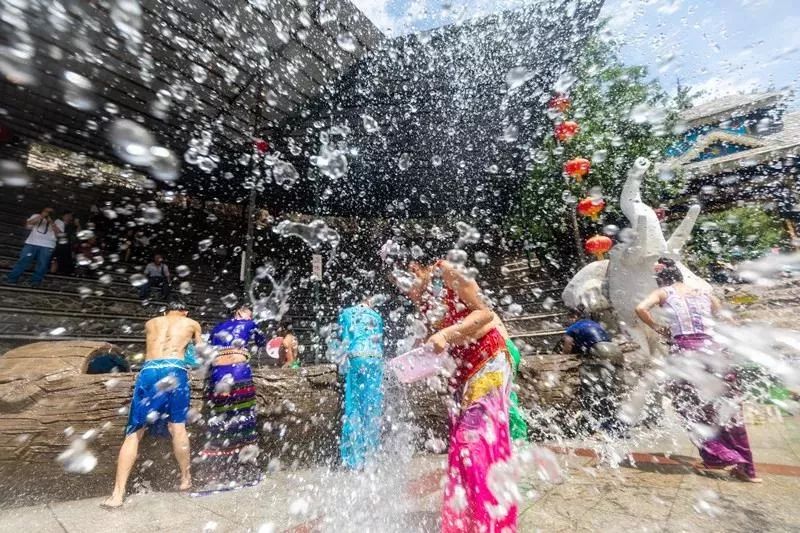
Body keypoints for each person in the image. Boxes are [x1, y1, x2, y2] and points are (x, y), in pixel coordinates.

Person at [393, 258, 517, 532]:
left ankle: (491, 520)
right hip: (461, 373)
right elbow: (433, 337)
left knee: (471, 443)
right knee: (464, 449)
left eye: (403, 279)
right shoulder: (422, 295)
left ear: (417, 268)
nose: (404, 289)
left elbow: (484, 314)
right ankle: (473, 517)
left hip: (488, 362)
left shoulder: (449, 272)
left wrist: (447, 334)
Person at [635, 257, 761, 483]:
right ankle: (748, 469)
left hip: (686, 354)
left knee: (687, 406)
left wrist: (657, 328)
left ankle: (719, 456)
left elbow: (640, 308)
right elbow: (726, 321)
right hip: (715, 352)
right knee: (729, 409)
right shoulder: (703, 292)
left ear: (661, 279)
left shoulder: (664, 292)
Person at [102, 301, 203, 508]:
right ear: (185, 311)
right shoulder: (192, 323)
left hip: (149, 371)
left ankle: (117, 494)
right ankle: (185, 478)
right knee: (178, 426)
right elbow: (199, 355)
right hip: (175, 370)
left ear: (166, 311)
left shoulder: (151, 323)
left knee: (134, 432)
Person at [200, 306, 265, 489]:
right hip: (239, 371)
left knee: (220, 418)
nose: (251, 317)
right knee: (245, 417)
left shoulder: (217, 327)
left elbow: (208, 349)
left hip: (218, 374)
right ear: (238, 313)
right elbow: (262, 342)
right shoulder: (250, 323)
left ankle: (219, 468)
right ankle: (248, 466)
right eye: (248, 314)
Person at [338, 298, 385, 470]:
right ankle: (371, 455)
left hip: (357, 357)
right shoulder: (377, 316)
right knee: (372, 407)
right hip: (375, 358)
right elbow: (378, 341)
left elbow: (344, 339)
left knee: (353, 406)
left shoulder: (346, 313)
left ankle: (353, 459)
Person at [562, 308, 625, 435]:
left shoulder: (572, 327)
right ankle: (617, 426)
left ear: (574, 317)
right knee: (611, 390)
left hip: (599, 351)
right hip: (616, 352)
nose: (568, 320)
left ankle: (593, 425)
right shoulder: (594, 324)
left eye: (569, 318)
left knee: (591, 391)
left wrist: (563, 358)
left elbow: (568, 346)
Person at [490, 314, 528, 441]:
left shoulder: (473, 306)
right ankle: (517, 438)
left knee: (502, 399)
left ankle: (518, 439)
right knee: (507, 397)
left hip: (500, 351)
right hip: (508, 348)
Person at [6, 207, 63, 287]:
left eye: (50, 212)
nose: (48, 213)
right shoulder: (36, 216)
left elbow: (59, 234)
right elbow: (27, 225)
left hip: (48, 245)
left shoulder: (59, 222)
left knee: (42, 264)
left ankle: (35, 282)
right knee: (23, 261)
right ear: (43, 211)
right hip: (32, 243)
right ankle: (12, 279)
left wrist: (51, 222)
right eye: (46, 211)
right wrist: (41, 216)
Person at [53, 211, 80, 276]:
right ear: (63, 216)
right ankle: (53, 273)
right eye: (68, 215)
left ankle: (66, 273)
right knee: (57, 259)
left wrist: (78, 224)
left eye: (70, 216)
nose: (70, 217)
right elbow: (58, 233)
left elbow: (79, 233)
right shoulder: (58, 221)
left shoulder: (72, 225)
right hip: (59, 244)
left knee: (68, 260)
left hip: (68, 245)